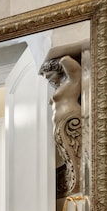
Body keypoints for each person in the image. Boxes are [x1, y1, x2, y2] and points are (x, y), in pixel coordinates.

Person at [40, 55, 83, 194]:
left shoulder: (71, 82)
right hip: (61, 125)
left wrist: (60, 60)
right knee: (69, 157)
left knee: (76, 154)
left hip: (72, 120)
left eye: (49, 75)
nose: (48, 79)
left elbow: (73, 67)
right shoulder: (60, 86)